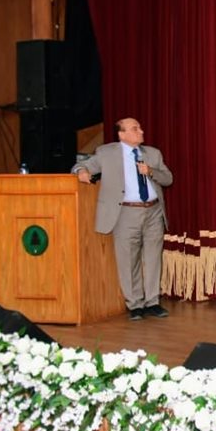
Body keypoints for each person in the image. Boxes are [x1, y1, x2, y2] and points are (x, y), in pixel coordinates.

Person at [73, 117, 174, 320]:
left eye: (140, 127)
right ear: (122, 134)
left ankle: (153, 302)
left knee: (153, 258)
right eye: (135, 128)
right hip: (126, 213)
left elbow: (168, 179)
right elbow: (80, 166)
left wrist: (150, 171)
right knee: (128, 260)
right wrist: (81, 171)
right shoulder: (106, 153)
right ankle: (135, 305)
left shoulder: (153, 153)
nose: (141, 131)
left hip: (153, 211)